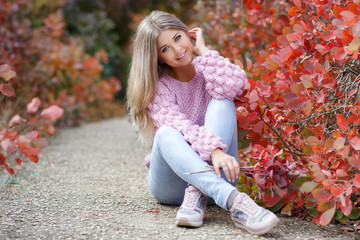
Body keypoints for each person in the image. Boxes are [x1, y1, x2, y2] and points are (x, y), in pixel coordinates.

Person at [126, 10, 279, 235]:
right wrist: (215, 151)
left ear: (189, 34)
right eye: (165, 49)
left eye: (178, 38)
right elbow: (182, 127)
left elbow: (236, 85)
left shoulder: (207, 70)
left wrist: (205, 52)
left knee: (223, 101)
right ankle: (235, 202)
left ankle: (199, 193)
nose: (177, 50)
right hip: (172, 186)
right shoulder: (159, 89)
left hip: (219, 174)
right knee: (166, 133)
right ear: (158, 57)